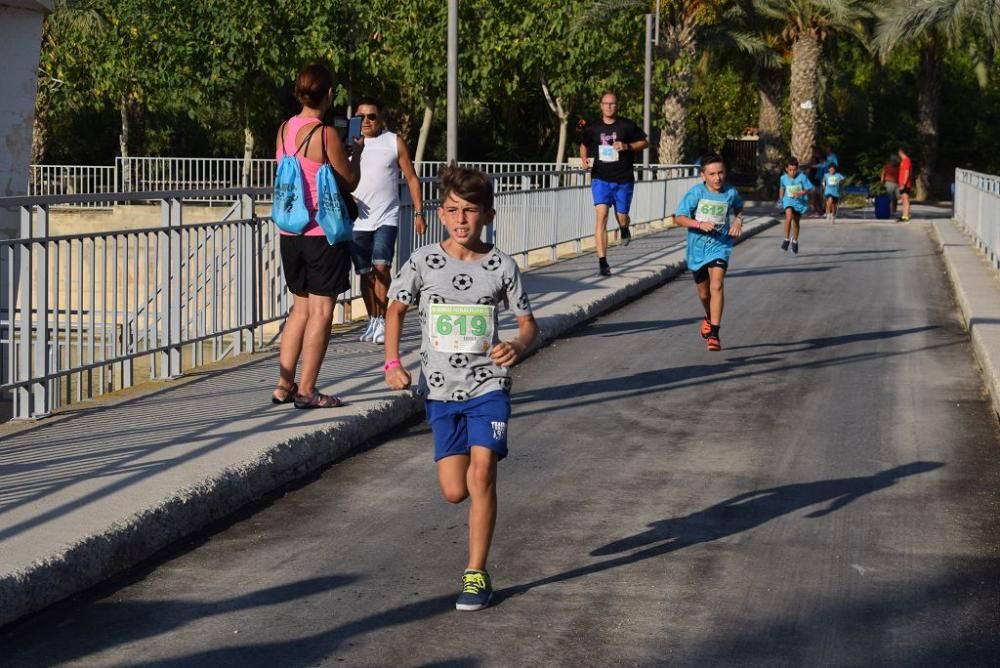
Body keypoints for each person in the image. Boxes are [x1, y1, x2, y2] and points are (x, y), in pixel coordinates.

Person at [383, 165, 538, 611]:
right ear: (440, 213)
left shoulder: (501, 266)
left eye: (470, 211)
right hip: (440, 389)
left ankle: (476, 573)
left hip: (488, 386)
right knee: (455, 489)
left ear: (488, 214)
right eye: (452, 211)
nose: (461, 220)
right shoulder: (423, 261)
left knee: (483, 471)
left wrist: (517, 346)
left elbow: (528, 324)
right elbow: (394, 309)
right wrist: (392, 362)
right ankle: (475, 490)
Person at [271, 64, 362, 409]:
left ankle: (284, 385)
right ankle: (308, 390)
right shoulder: (325, 135)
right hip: (322, 232)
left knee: (300, 309)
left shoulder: (282, 129)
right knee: (322, 311)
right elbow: (348, 180)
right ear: (329, 95)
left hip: (290, 231)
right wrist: (357, 154)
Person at [350, 96, 425, 345]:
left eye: (372, 116)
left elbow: (412, 178)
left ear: (380, 118)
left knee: (381, 267)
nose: (366, 121)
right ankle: (373, 318)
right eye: (361, 116)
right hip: (357, 220)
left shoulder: (393, 142)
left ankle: (382, 320)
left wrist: (419, 212)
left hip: (386, 216)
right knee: (365, 273)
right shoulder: (347, 144)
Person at [674, 153, 744, 352]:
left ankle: (714, 333)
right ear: (703, 175)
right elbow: (679, 218)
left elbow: (739, 208)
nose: (717, 178)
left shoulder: (731, 192)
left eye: (721, 173)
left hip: (720, 246)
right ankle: (707, 316)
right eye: (712, 174)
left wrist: (739, 221)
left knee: (717, 287)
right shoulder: (696, 193)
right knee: (705, 294)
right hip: (697, 249)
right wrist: (699, 224)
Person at [578, 91, 649, 276]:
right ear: (601, 105)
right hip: (600, 178)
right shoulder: (593, 127)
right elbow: (584, 144)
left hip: (623, 178)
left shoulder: (626, 126)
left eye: (613, 104)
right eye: (606, 103)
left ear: (617, 106)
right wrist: (584, 159)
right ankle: (602, 262)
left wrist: (627, 146)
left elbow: (645, 142)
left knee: (622, 216)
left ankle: (624, 228)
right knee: (601, 215)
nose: (609, 107)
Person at [778, 157, 812, 254]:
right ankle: (786, 239)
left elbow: (808, 188)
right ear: (786, 169)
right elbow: (781, 188)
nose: (792, 172)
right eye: (790, 170)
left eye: (794, 170)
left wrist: (800, 193)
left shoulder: (802, 177)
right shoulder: (783, 178)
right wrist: (780, 198)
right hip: (788, 200)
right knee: (788, 217)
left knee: (796, 222)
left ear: (797, 169)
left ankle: (795, 241)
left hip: (799, 202)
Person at [810, 145, 839, 217]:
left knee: (826, 195)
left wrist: (812, 166)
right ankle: (825, 211)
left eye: (827, 148)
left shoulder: (832, 157)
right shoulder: (827, 157)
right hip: (822, 178)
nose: (826, 150)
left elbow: (825, 165)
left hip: (828, 179)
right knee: (823, 195)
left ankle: (828, 211)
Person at [897, 147, 913, 222]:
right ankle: (904, 215)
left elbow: (906, 172)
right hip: (902, 183)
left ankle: (906, 215)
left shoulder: (906, 160)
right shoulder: (903, 161)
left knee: (905, 199)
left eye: (899, 152)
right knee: (903, 199)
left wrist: (904, 183)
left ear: (901, 152)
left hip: (905, 183)